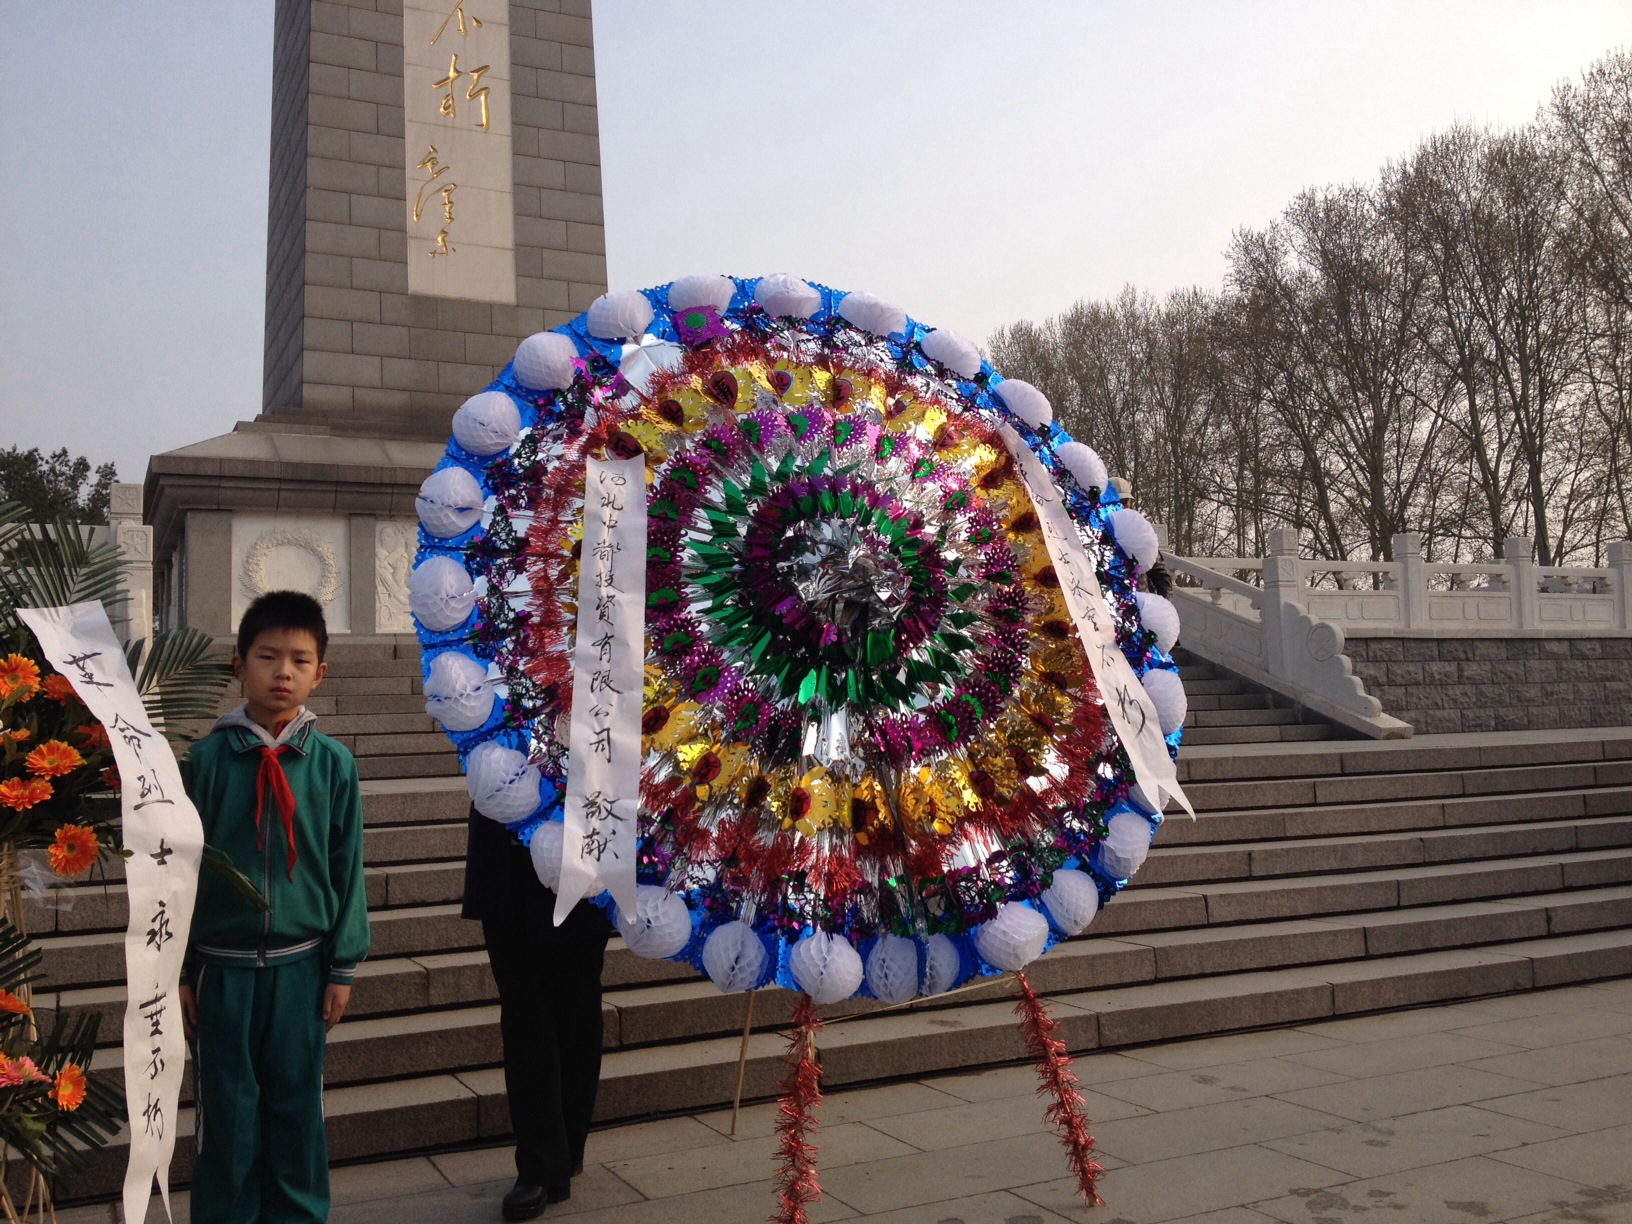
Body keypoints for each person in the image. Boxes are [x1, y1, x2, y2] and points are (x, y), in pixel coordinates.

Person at [178, 590, 370, 1224]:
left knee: (295, 1111)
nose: (282, 672)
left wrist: (341, 967)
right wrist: (181, 971)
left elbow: (347, 871)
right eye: (267, 656)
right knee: (226, 1116)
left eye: (298, 659)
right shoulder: (203, 764)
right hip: (222, 971)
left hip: (300, 967)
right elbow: (175, 877)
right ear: (239, 664)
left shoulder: (334, 766)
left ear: (322, 672)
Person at [463, 807, 612, 1220]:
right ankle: (539, 1165)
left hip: (581, 846)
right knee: (523, 1011)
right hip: (507, 857)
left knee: (578, 1006)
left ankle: (568, 1140)